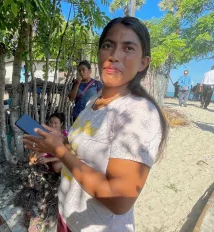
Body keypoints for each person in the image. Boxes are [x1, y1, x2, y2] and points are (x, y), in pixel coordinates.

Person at [23, 17, 168, 231]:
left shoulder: (139, 113)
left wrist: (60, 151)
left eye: (128, 48)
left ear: (143, 62)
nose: (114, 55)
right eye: (108, 45)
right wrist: (59, 140)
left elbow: (119, 200)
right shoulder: (95, 99)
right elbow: (88, 147)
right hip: (68, 217)